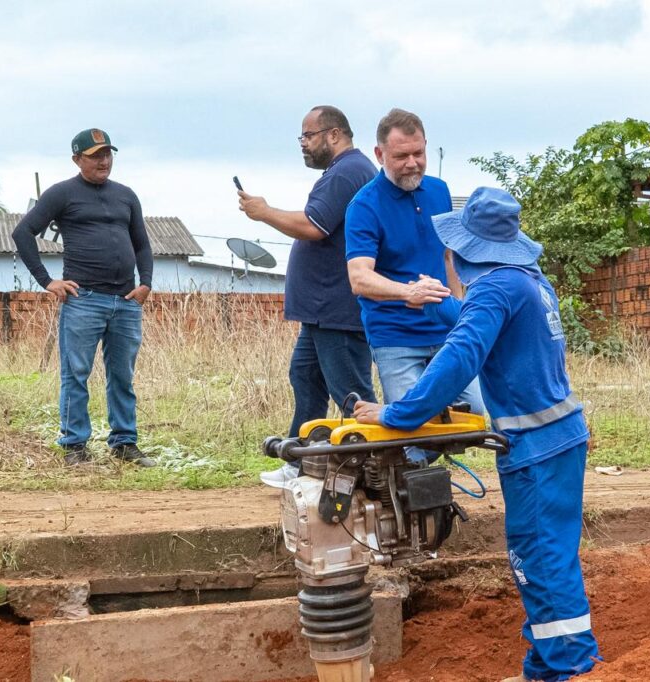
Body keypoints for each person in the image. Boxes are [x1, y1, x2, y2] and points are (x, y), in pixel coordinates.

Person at [353, 187, 600, 681]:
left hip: (537, 447)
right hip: (562, 436)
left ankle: (568, 669)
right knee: (551, 552)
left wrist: (398, 414)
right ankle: (549, 665)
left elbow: (461, 355)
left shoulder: (494, 289)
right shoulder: (529, 279)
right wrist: (434, 302)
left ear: (465, 250)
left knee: (538, 557)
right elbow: (482, 322)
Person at [238, 106, 378, 488]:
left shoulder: (348, 171)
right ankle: (302, 463)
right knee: (307, 380)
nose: (303, 144)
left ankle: (374, 468)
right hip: (321, 310)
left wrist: (264, 212)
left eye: (308, 136)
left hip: (335, 307)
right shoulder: (345, 171)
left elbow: (313, 226)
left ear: (333, 135)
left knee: (351, 393)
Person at [345, 108, 484, 464]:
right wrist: (409, 292)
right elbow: (359, 277)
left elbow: (448, 255)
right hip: (396, 338)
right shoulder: (363, 206)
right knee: (414, 437)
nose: (412, 163)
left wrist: (459, 306)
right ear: (379, 155)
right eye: (401, 156)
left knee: (482, 414)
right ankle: (409, 509)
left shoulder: (439, 191)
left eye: (418, 153)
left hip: (447, 334)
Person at [12, 128, 155, 467]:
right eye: (95, 155)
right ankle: (75, 445)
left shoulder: (126, 195)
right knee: (76, 373)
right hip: (84, 300)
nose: (103, 160)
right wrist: (47, 281)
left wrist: (146, 282)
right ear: (77, 159)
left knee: (122, 375)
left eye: (107, 154)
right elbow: (23, 232)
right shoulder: (62, 193)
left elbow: (142, 244)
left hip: (126, 301)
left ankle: (124, 443)